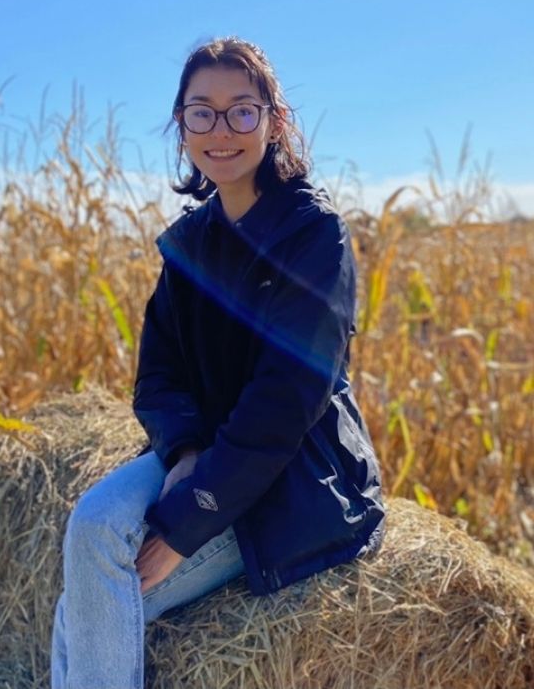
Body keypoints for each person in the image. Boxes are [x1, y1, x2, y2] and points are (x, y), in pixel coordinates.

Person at [51, 37, 385, 688]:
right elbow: (158, 376)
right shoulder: (192, 243)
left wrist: (184, 527)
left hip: (296, 475)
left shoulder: (314, 236)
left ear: (274, 121)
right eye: (200, 112)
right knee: (92, 526)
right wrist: (183, 455)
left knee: (92, 608)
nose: (221, 129)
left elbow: (284, 405)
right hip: (205, 449)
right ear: (182, 127)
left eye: (241, 110)